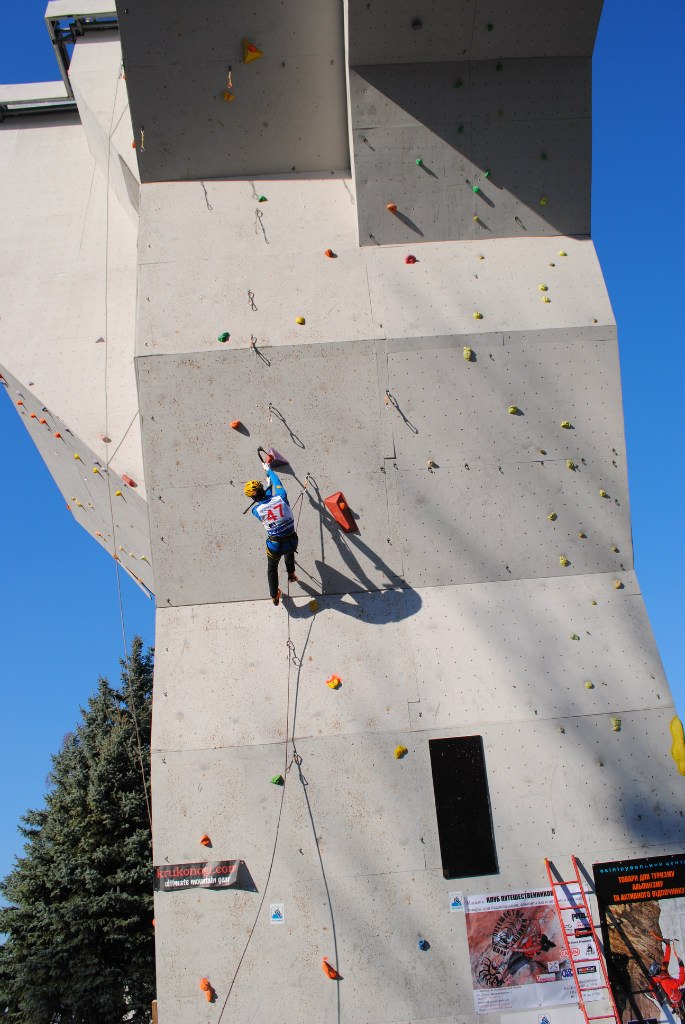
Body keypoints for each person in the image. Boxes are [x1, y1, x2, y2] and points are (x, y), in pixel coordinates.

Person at [244, 462, 298, 606]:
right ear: (262, 488)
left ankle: (274, 596)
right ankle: (291, 574)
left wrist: (267, 488)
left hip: (275, 546)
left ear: (252, 498)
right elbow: (276, 483)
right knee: (289, 549)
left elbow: (265, 501)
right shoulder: (281, 497)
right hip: (292, 541)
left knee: (272, 568)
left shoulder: (256, 511)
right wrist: (269, 471)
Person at [648, 939, 685, 1010]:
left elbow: (666, 961)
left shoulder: (657, 979)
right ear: (658, 972)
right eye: (660, 968)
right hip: (678, 999)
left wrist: (668, 946)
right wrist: (681, 966)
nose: (662, 968)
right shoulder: (665, 981)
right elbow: (681, 981)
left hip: (673, 1001)